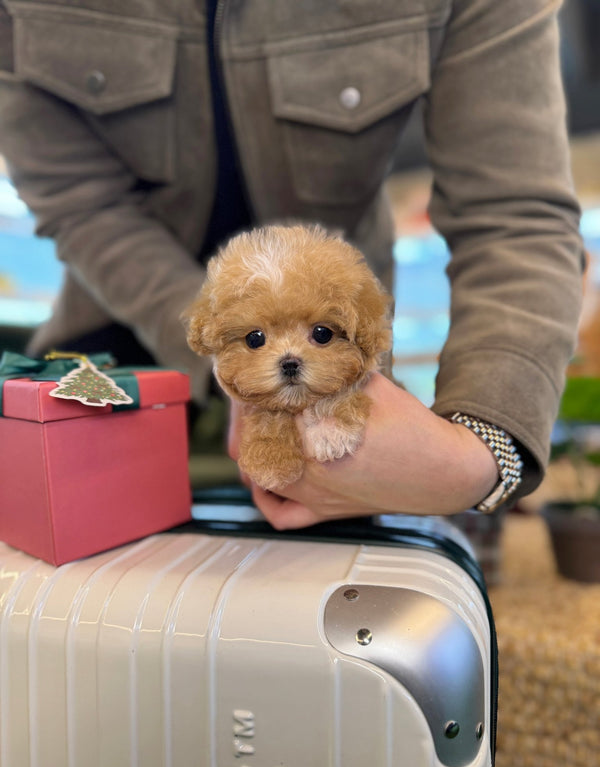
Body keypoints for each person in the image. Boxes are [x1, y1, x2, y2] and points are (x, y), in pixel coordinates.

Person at [0, 0, 584, 529]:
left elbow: (513, 215)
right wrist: (231, 354)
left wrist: (480, 448)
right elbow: (84, 205)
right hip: (112, 387)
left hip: (352, 409)